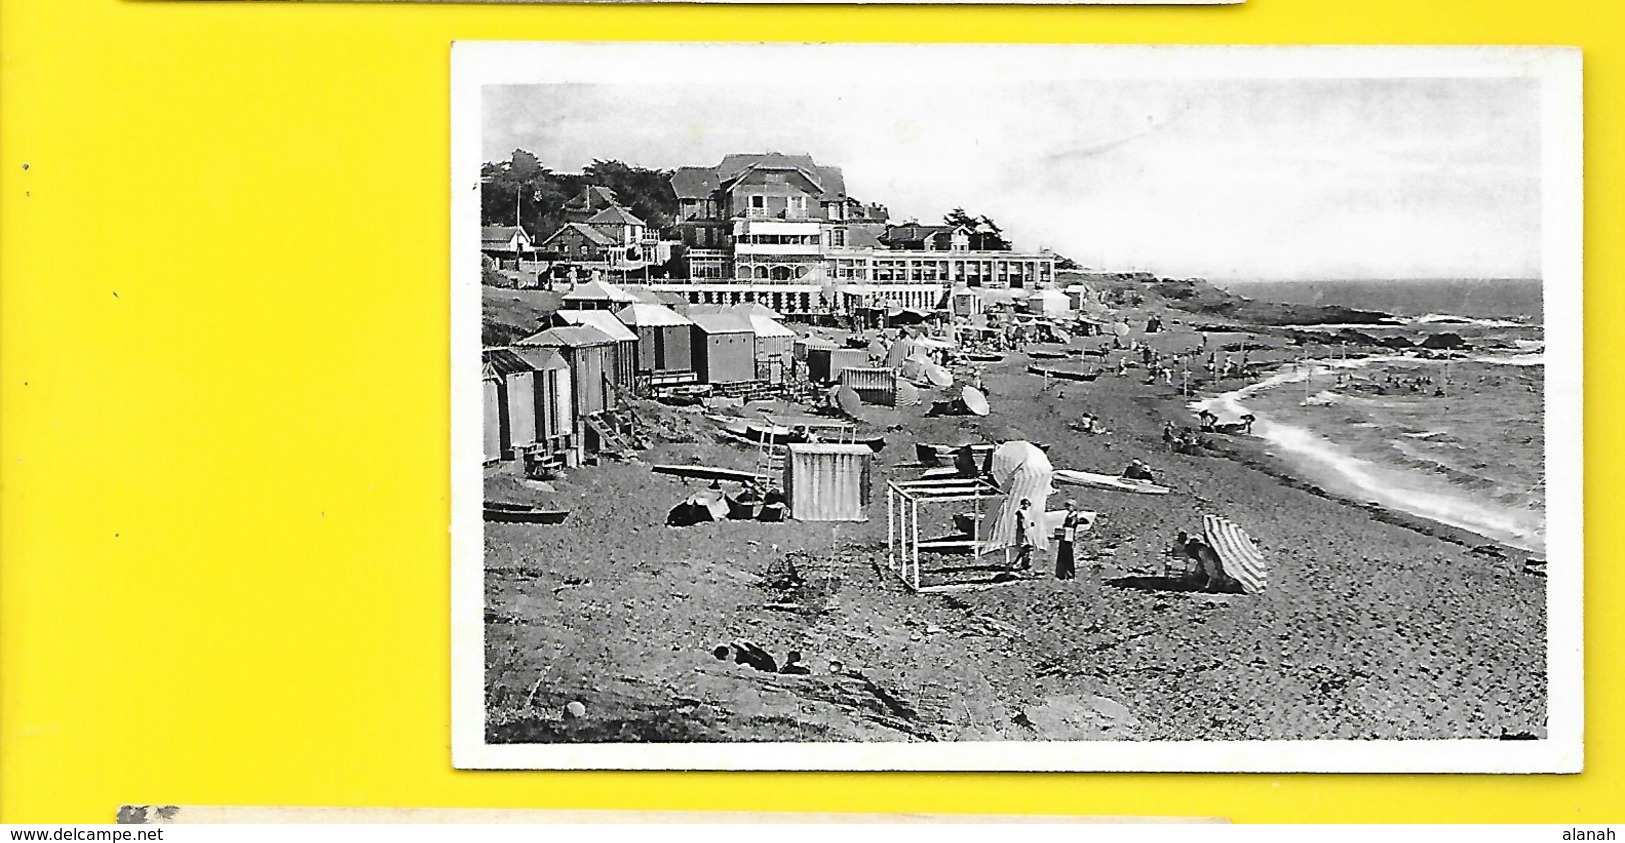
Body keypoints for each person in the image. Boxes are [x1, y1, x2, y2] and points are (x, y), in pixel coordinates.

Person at [1055, 499, 1081, 580]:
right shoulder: (1069, 515)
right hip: (1065, 537)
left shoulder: (1074, 515)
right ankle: (1062, 573)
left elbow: (1071, 525)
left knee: (1068, 556)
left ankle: (1069, 574)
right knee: (1063, 555)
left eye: (1069, 506)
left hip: (1069, 537)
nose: (1067, 508)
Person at [1013, 498, 1035, 571]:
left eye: (1027, 504)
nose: (1026, 505)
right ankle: (1018, 562)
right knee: (1024, 548)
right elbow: (1020, 522)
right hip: (1023, 531)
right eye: (1024, 504)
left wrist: (1031, 524)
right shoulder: (1020, 512)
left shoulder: (1029, 512)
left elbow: (1030, 521)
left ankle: (1026, 563)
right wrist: (1023, 530)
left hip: (1029, 530)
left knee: (1029, 548)